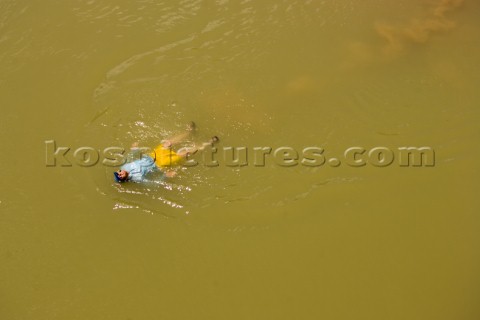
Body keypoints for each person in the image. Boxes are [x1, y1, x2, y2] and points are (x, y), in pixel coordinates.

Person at [114, 122, 219, 183]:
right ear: (124, 179)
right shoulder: (137, 179)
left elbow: (129, 157)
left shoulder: (124, 167)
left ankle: (189, 132)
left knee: (168, 143)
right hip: (159, 164)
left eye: (118, 173)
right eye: (120, 176)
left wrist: (134, 149)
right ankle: (208, 143)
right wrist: (165, 176)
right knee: (183, 153)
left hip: (151, 155)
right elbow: (153, 183)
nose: (121, 173)